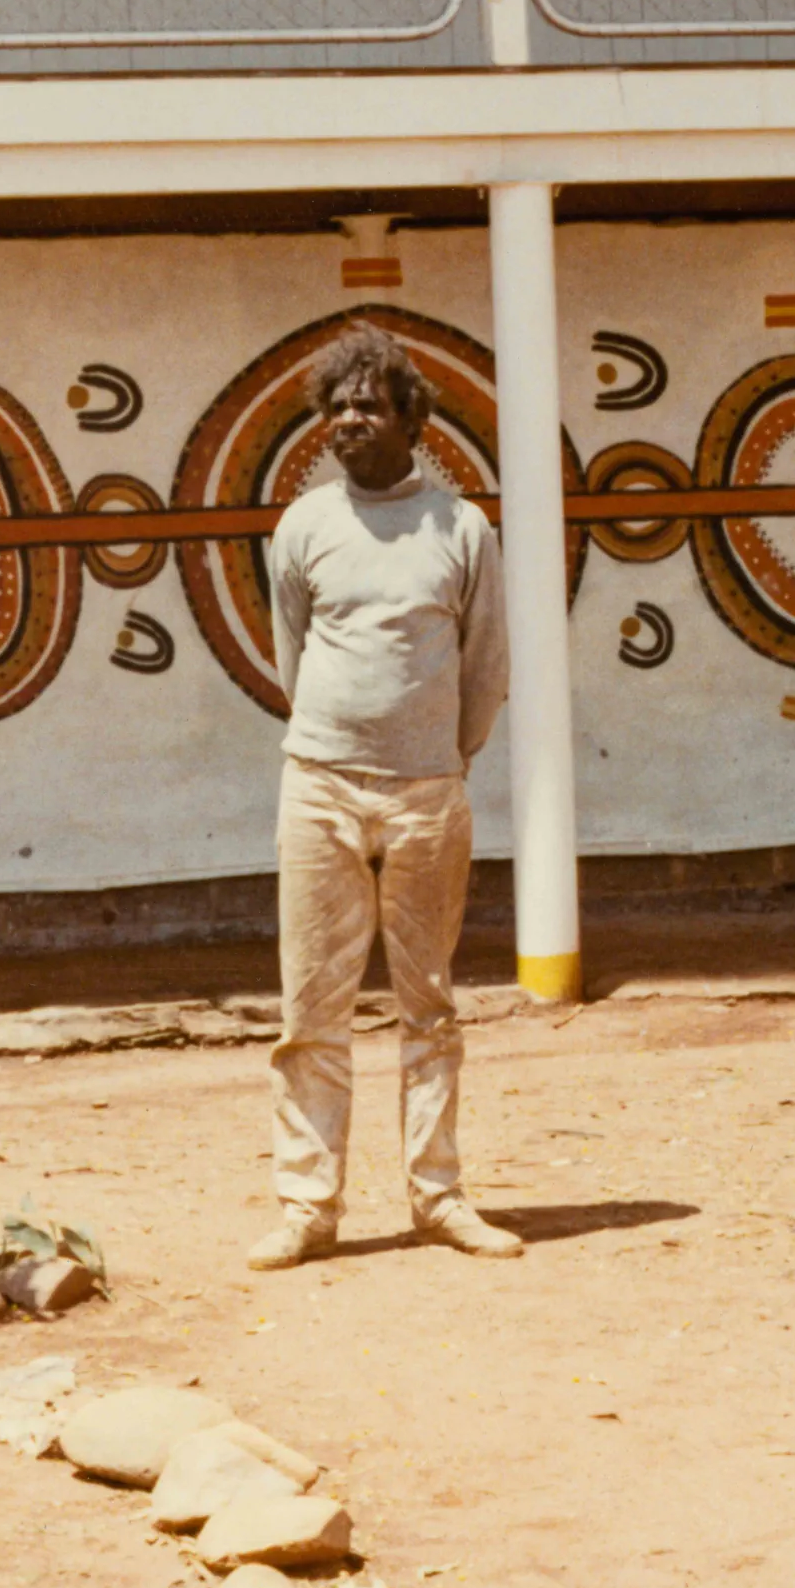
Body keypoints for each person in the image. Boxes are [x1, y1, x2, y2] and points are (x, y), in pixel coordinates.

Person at [250, 323, 522, 1271]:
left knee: (429, 1007)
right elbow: (293, 654)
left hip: (427, 798)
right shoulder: (301, 527)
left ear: (413, 416)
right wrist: (340, 742)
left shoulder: (462, 528)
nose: (346, 421)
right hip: (317, 788)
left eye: (368, 403)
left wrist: (442, 758)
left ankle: (438, 1198)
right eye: (334, 406)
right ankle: (307, 1208)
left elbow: (486, 665)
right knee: (307, 1015)